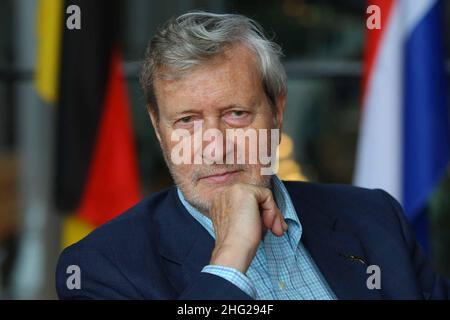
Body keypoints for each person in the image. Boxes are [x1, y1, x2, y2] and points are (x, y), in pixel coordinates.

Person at [56, 11, 449, 300]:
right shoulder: (102, 268)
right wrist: (228, 260)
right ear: (158, 127)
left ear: (277, 111)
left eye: (236, 114)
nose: (215, 144)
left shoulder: (374, 218)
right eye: (187, 120)